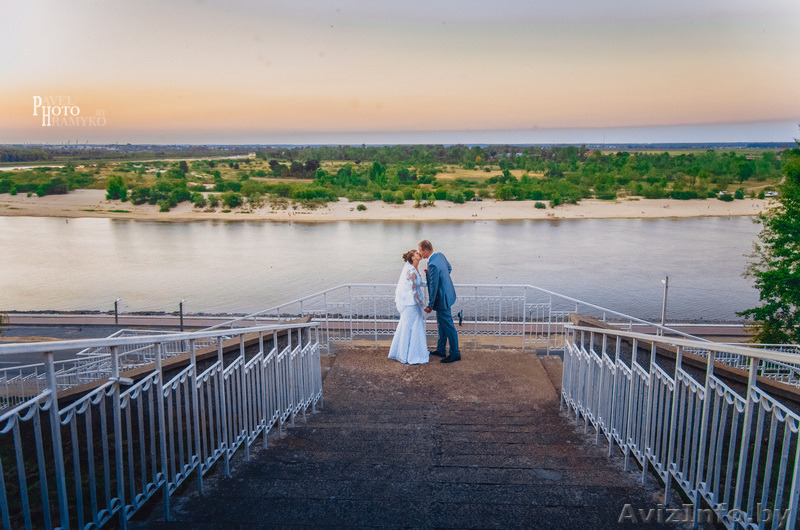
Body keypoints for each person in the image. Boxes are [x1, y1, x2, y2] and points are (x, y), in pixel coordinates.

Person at [418, 240, 460, 363]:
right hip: (448, 295)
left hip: (442, 300)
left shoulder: (432, 265)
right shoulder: (440, 255)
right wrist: (444, 280)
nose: (420, 253)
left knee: (448, 327)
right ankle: (441, 349)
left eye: (420, 250)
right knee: (441, 325)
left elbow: (433, 287)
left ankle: (455, 353)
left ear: (426, 251)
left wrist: (430, 305)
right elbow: (449, 268)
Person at [388, 249, 430, 365]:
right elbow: (415, 291)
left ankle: (404, 353)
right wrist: (424, 306)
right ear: (412, 258)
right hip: (411, 304)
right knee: (412, 327)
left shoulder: (415, 269)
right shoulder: (411, 271)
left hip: (412, 303)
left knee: (407, 326)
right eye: (416, 253)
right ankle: (411, 355)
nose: (419, 253)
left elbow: (417, 285)